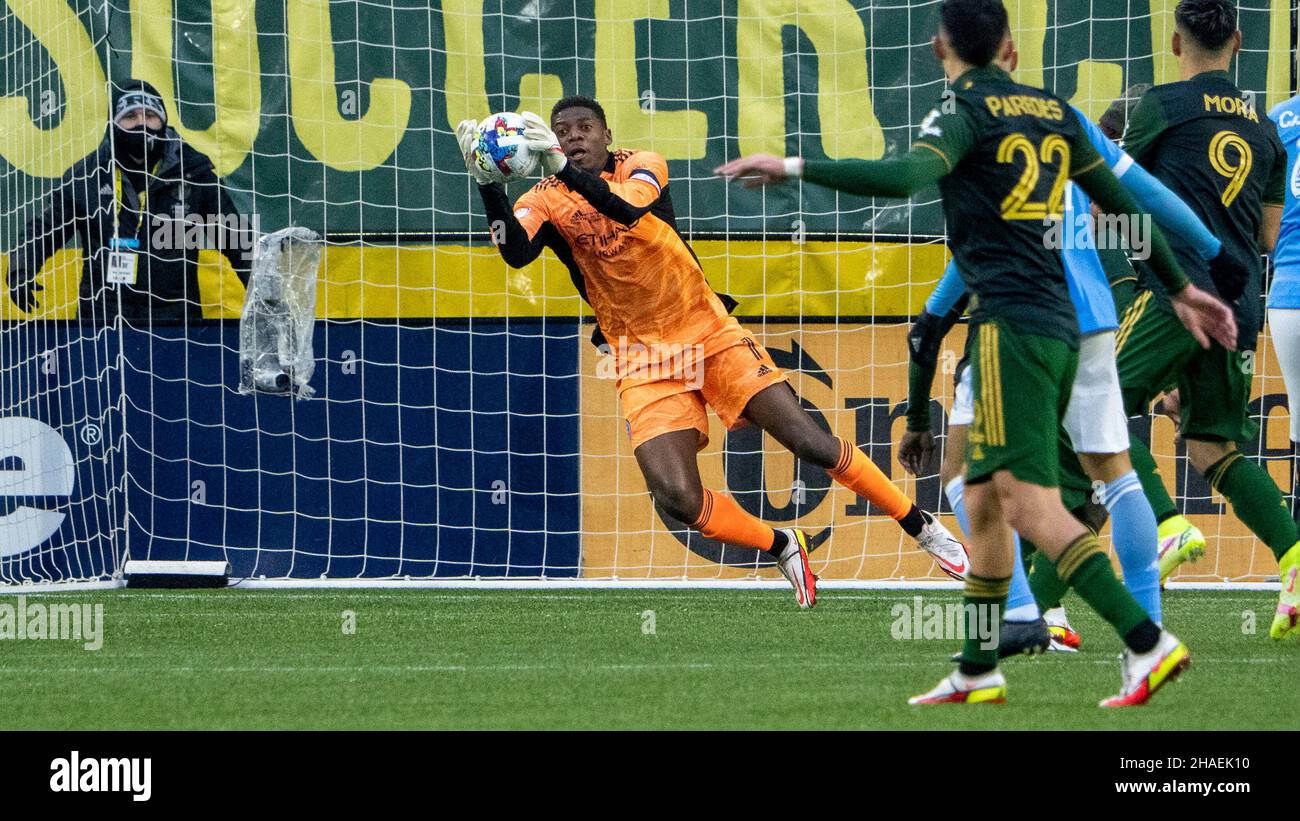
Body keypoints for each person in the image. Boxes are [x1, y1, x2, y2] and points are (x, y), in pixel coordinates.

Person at [717, 0, 1236, 704]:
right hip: (1069, 320)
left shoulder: (961, 111)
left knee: (1026, 502)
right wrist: (1186, 280)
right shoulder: (1055, 110)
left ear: (939, 48)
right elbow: (1124, 196)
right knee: (996, 492)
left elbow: (904, 178)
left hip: (1010, 327)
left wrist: (792, 164)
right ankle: (979, 661)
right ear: (1012, 50)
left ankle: (1146, 640)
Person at [457, 96, 970, 609]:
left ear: (607, 135)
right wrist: (488, 186)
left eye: (585, 127)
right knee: (676, 498)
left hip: (706, 331)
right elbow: (515, 252)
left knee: (809, 442)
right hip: (639, 356)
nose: (573, 137)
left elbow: (628, 209)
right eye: (562, 130)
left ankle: (919, 525)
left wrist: (563, 169)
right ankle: (779, 544)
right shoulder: (546, 197)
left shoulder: (642, 165)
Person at [901, 79, 1243, 656]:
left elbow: (937, 305)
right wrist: (1209, 256)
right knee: (1109, 480)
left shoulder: (979, 140)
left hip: (1018, 329)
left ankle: (1020, 615)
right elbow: (1147, 203)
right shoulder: (1070, 128)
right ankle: (1144, 630)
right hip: (1093, 323)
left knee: (977, 480)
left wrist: (916, 410)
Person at [1111, 0, 1297, 637]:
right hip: (1241, 302)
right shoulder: (1267, 130)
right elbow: (1270, 235)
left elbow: (1118, 190)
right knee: (1215, 445)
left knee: (1095, 407)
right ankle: (1295, 557)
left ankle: (1165, 524)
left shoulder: (1161, 105)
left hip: (1176, 291)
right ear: (1240, 43)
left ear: (1174, 43)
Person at [7, 79, 253, 322]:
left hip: (176, 322)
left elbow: (236, 238)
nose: (142, 124)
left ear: (163, 121)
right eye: (131, 116)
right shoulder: (86, 175)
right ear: (114, 124)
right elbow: (44, 230)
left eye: (150, 115)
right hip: (103, 320)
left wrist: (264, 296)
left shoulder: (193, 172)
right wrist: (21, 269)